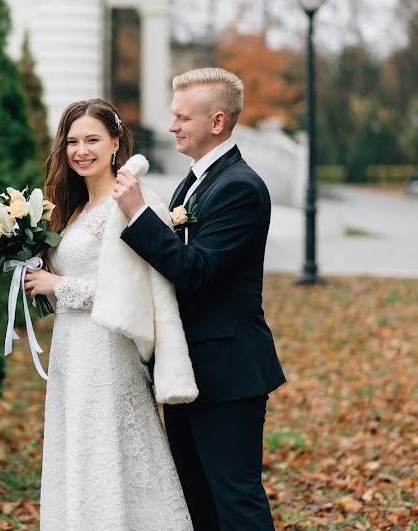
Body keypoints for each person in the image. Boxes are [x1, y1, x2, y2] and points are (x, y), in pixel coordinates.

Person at [113, 68, 286, 530]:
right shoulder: (194, 181)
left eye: (181, 117)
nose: (171, 126)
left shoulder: (239, 188)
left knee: (236, 502)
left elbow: (197, 271)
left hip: (228, 371)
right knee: (195, 500)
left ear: (217, 121)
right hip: (187, 367)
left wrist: (137, 217)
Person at [24, 99, 192, 530]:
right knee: (76, 449)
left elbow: (136, 294)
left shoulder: (130, 204)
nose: (81, 150)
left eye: (93, 140)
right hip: (70, 349)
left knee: (105, 449)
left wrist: (58, 287)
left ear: (115, 143)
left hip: (106, 350)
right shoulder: (71, 209)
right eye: (72, 141)